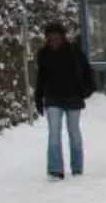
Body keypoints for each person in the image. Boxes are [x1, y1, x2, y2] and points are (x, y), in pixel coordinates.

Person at [33, 22, 95, 179]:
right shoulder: (44, 54)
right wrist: (39, 99)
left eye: (55, 38)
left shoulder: (74, 52)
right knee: (54, 133)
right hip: (53, 97)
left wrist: (86, 90)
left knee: (74, 132)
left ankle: (77, 166)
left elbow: (86, 71)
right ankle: (55, 169)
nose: (52, 42)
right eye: (49, 39)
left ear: (62, 37)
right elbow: (41, 79)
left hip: (73, 96)